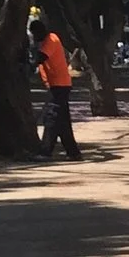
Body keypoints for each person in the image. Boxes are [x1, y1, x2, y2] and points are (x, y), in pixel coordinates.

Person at [33, 12, 79, 159]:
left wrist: (27, 66)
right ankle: (73, 153)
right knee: (62, 121)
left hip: (59, 86)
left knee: (51, 117)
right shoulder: (46, 41)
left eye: (34, 33)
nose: (34, 37)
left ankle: (45, 151)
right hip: (57, 85)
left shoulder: (51, 39)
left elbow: (41, 57)